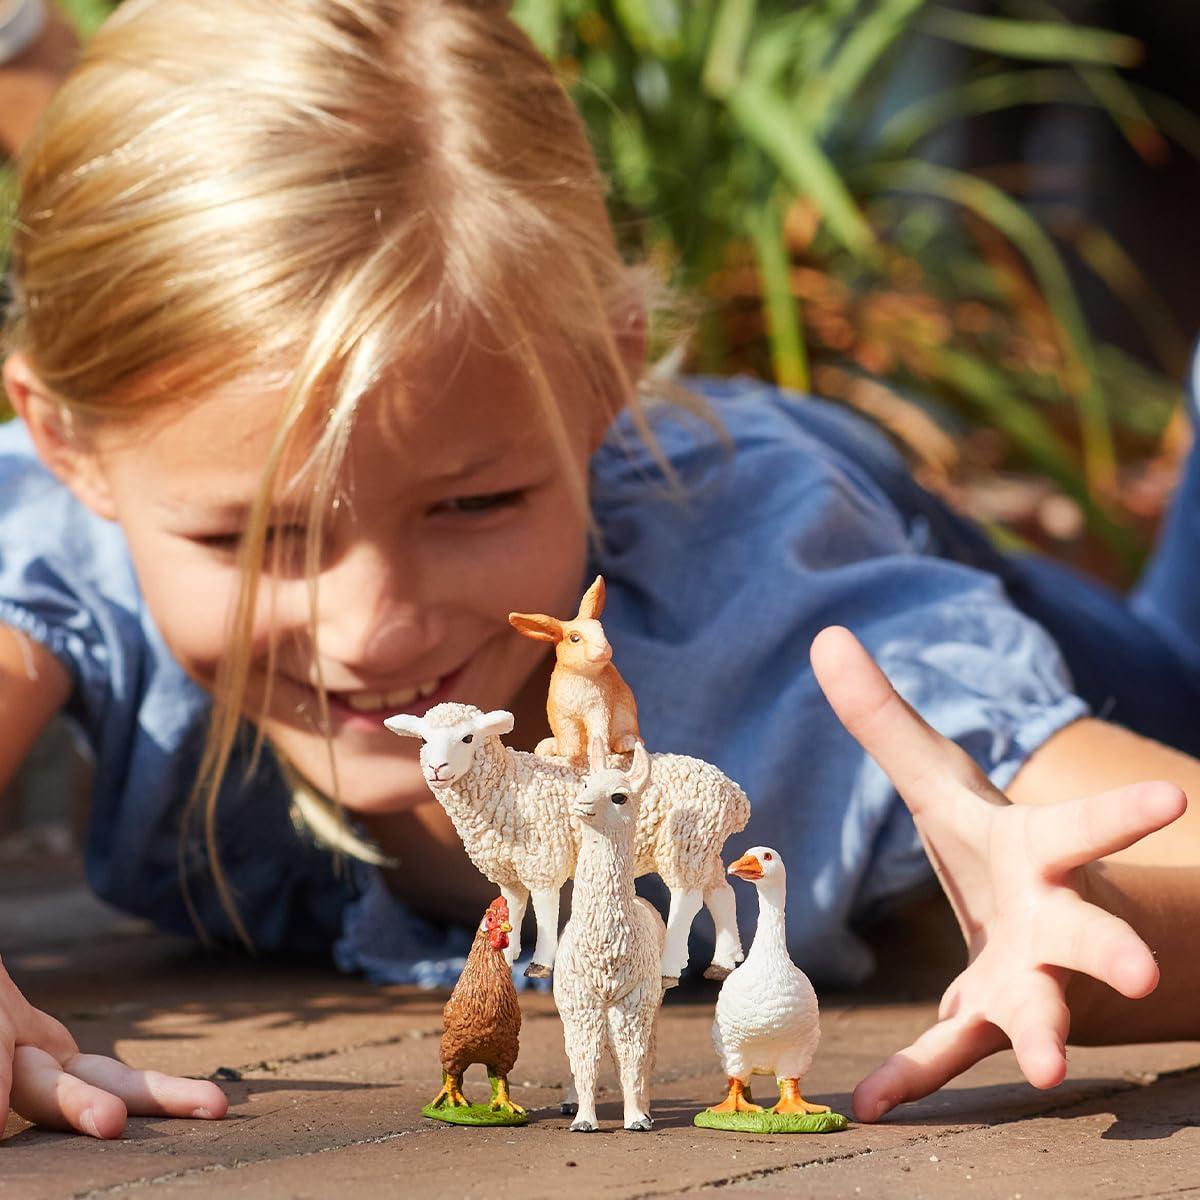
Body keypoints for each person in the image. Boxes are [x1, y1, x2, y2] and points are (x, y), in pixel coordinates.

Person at [1, 0, 1199, 1138]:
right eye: (252, 536)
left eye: (473, 502)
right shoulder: (67, 541)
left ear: (602, 389)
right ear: (69, 448)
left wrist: (1094, 920)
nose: (370, 632)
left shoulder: (785, 606)